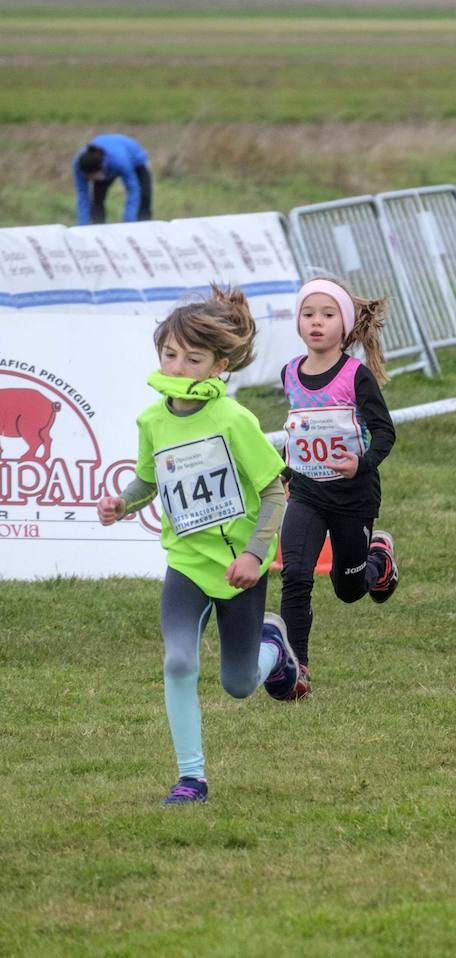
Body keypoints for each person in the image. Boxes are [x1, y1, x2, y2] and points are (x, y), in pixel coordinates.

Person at [96, 287, 298, 805]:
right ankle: (192, 779)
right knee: (179, 661)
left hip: (239, 570)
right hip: (185, 562)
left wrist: (255, 555)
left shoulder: (234, 420)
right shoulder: (152, 420)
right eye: (170, 354)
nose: (178, 365)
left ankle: (272, 652)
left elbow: (276, 489)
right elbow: (148, 481)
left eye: (193, 358)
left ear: (218, 366)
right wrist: (123, 503)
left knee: (238, 685)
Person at [277, 278, 399, 699]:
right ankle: (295, 669)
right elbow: (299, 428)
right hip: (308, 493)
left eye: (327, 315)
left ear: (344, 326)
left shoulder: (355, 375)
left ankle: (377, 559)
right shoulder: (289, 373)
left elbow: (384, 433)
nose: (316, 323)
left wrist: (360, 464)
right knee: (295, 574)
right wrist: (288, 473)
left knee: (348, 591)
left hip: (353, 496)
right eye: (308, 314)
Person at [73, 133, 152, 226]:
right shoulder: (78, 166)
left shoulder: (120, 161)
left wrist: (128, 224)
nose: (91, 181)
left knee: (144, 197)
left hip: (136, 161)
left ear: (101, 167)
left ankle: (143, 227)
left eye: (92, 177)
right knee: (97, 200)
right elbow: (83, 196)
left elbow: (133, 190)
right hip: (105, 164)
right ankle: (97, 229)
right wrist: (82, 227)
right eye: (88, 178)